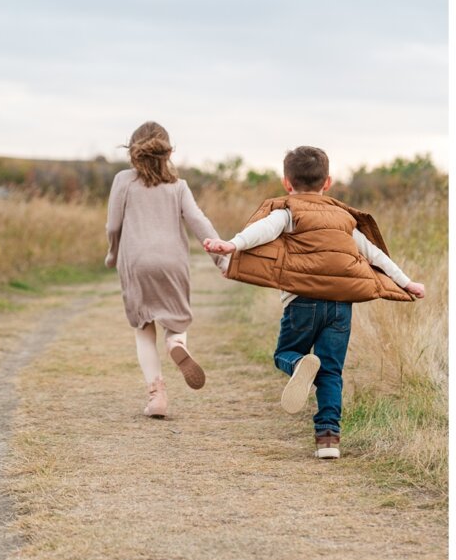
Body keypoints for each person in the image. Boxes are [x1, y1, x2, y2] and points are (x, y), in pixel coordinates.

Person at [203, 146, 424, 459]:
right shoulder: (344, 217)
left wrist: (232, 244)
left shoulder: (289, 210)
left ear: (287, 183)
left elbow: (263, 230)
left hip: (302, 302)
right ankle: (328, 440)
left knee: (285, 353)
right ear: (328, 182)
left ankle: (297, 367)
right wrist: (406, 281)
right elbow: (375, 254)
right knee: (331, 371)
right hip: (340, 306)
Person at [105, 121, 228, 418]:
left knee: (143, 327)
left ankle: (156, 394)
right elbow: (199, 222)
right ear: (169, 152)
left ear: (133, 153)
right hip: (172, 262)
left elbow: (113, 225)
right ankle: (176, 344)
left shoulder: (124, 180)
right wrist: (220, 258)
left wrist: (112, 253)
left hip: (136, 262)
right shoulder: (179, 186)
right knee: (175, 323)